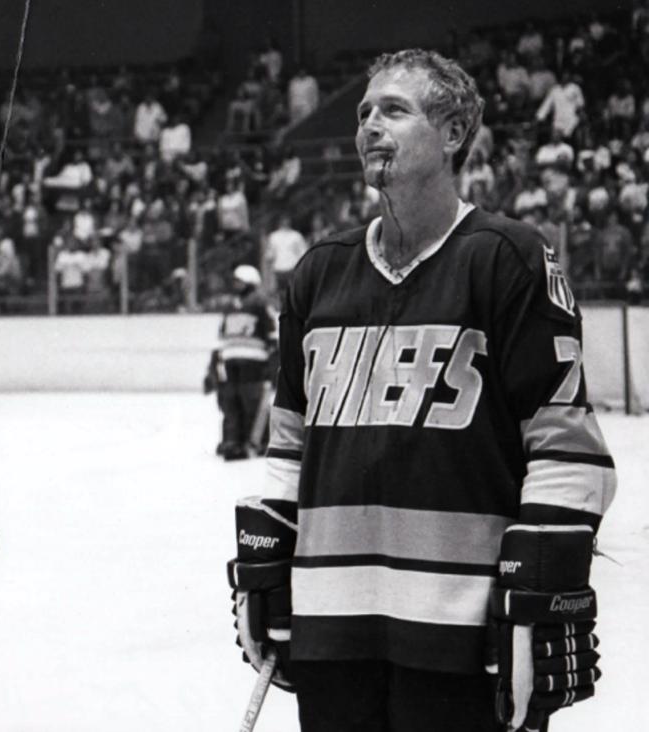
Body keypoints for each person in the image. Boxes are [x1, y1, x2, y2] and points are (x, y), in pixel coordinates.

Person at [228, 49, 616, 732]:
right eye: (363, 113)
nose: (369, 126)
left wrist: (537, 595)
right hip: (330, 630)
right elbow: (289, 446)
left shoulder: (508, 259)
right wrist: (266, 563)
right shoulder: (318, 273)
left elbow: (565, 450)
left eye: (394, 110)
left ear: (454, 133)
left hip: (462, 638)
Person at [213, 264, 274, 460]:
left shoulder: (258, 303)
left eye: (239, 281)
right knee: (232, 400)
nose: (236, 285)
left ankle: (252, 440)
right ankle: (236, 440)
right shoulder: (233, 304)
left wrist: (273, 359)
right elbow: (223, 333)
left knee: (249, 400)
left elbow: (271, 332)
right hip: (234, 359)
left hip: (251, 360)